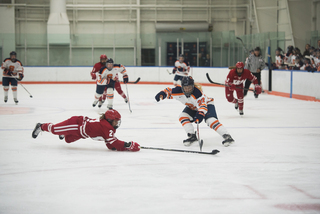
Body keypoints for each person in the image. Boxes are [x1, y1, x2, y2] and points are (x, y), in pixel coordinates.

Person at [155, 76, 234, 147]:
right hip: (192, 107)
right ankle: (192, 136)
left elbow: (203, 106)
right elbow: (168, 91)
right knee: (182, 117)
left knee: (210, 120)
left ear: (193, 86)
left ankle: (227, 136)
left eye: (189, 87)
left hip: (207, 105)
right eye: (185, 88)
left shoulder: (197, 93)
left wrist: (200, 114)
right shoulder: (178, 91)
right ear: (182, 87)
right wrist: (162, 94)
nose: (187, 90)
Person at [31, 109, 140, 152]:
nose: (117, 123)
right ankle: (41, 126)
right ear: (110, 120)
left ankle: (63, 133)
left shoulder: (108, 127)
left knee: (68, 140)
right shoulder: (106, 127)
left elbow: (110, 145)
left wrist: (125, 147)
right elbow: (114, 142)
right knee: (55, 130)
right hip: (76, 125)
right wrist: (127, 144)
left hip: (81, 133)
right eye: (115, 121)